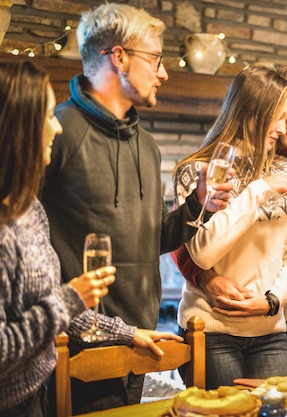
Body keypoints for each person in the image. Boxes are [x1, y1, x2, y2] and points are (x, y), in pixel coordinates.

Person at [39, 4, 230, 413]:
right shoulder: (58, 131)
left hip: (140, 335)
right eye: (156, 59)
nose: (163, 72)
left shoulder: (147, 144)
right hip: (78, 339)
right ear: (119, 56)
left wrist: (200, 204)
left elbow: (157, 236)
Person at [0, 60, 183, 417]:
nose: (56, 127)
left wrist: (128, 333)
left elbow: (53, 305)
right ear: (18, 126)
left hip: (38, 393)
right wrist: (70, 298)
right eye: (48, 115)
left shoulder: (30, 211)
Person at [172, 61, 287, 372]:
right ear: (258, 109)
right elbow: (187, 245)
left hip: (276, 319)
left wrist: (272, 300)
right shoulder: (205, 170)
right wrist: (206, 280)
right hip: (213, 322)